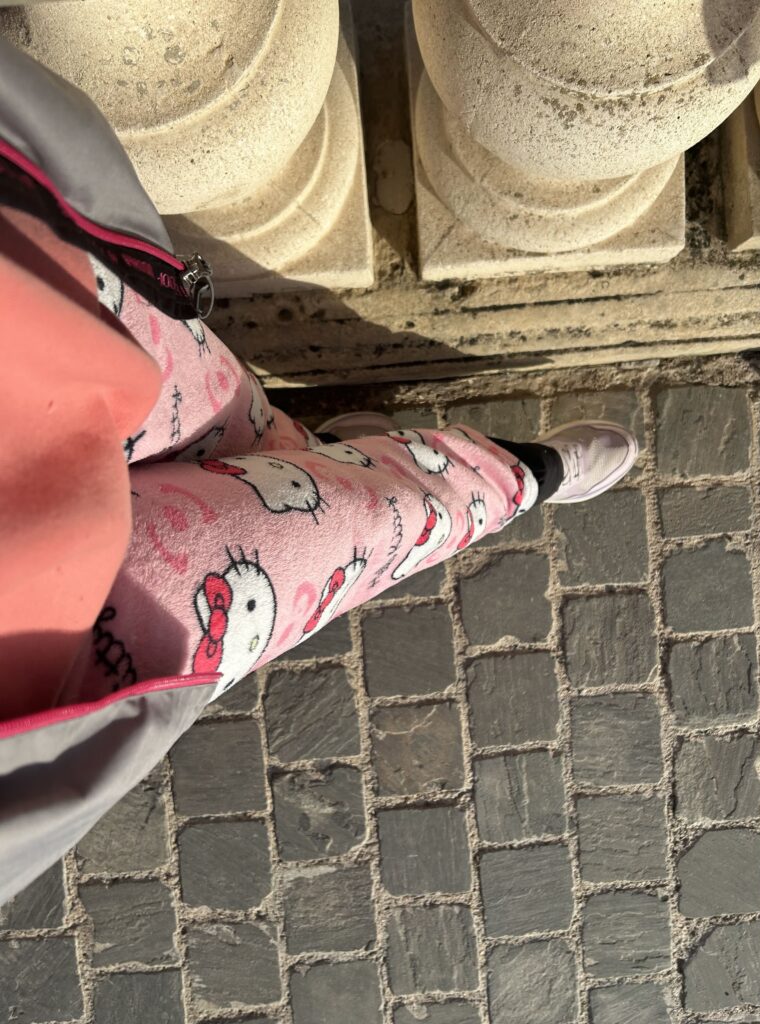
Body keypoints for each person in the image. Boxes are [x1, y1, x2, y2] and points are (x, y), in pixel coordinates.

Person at [0, 37, 637, 902]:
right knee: (363, 525)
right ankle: (522, 477)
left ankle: (325, 447)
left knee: (233, 422)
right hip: (53, 633)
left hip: (38, 324)